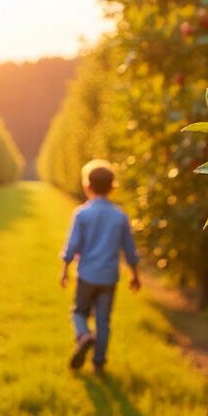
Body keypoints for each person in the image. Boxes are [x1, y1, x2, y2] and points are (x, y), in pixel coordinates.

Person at [60, 159, 140, 374]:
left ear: (87, 186)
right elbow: (129, 250)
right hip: (109, 277)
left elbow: (72, 245)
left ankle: (84, 335)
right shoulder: (120, 216)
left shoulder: (82, 214)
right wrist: (135, 275)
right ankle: (98, 363)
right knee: (103, 320)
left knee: (79, 312)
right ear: (113, 187)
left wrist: (64, 269)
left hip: (86, 275)